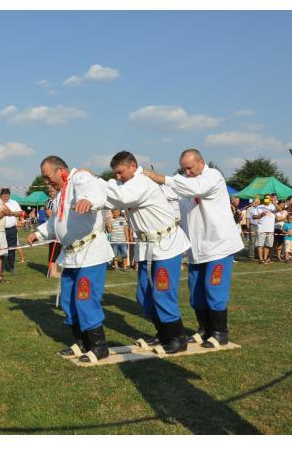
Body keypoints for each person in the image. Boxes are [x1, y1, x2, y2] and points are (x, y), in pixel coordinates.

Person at [144, 149, 244, 349]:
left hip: (218, 246)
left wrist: (161, 178)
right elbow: (165, 193)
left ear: (201, 161)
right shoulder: (185, 182)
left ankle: (220, 332)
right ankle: (204, 329)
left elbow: (195, 188)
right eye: (184, 169)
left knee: (214, 289)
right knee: (196, 292)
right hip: (196, 248)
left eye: (190, 168)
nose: (187, 172)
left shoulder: (213, 176)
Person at [28, 155, 114, 364]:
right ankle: (82, 342)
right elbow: (55, 222)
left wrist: (88, 201)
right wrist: (39, 233)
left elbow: (95, 193)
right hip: (71, 256)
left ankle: (99, 346)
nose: (46, 182)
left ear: (60, 171)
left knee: (85, 298)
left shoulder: (80, 178)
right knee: (67, 300)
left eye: (47, 177)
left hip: (90, 253)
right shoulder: (60, 194)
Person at [105, 152, 191, 354]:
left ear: (133, 166)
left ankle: (178, 337)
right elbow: (111, 199)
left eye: (120, 172)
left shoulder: (142, 182)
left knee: (163, 292)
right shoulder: (128, 184)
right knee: (143, 295)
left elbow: (122, 197)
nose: (118, 176)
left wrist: (92, 181)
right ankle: (163, 333)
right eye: (115, 173)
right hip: (146, 245)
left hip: (166, 243)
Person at [1, 188, 23, 274]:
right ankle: (1, 268)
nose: (5, 198)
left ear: (9, 196)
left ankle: (11, 267)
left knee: (12, 249)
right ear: (1, 195)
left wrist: (12, 213)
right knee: (1, 250)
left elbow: (20, 212)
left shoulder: (14, 202)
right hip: (1, 230)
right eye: (4, 196)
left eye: (7, 196)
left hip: (12, 229)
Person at [252, 196, 275, 264]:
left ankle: (265, 258)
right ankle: (261, 259)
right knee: (260, 245)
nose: (268, 200)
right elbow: (253, 217)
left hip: (270, 229)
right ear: (264, 199)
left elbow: (280, 210)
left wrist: (274, 202)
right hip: (262, 229)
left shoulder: (273, 206)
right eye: (266, 198)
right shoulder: (259, 207)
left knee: (268, 245)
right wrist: (261, 215)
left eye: (269, 198)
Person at [45, 186, 61, 278]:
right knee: (53, 250)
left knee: (57, 250)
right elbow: (49, 213)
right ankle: (52, 271)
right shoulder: (49, 201)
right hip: (51, 229)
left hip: (58, 228)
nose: (52, 193)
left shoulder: (58, 200)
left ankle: (55, 270)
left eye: (54, 191)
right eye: (51, 192)